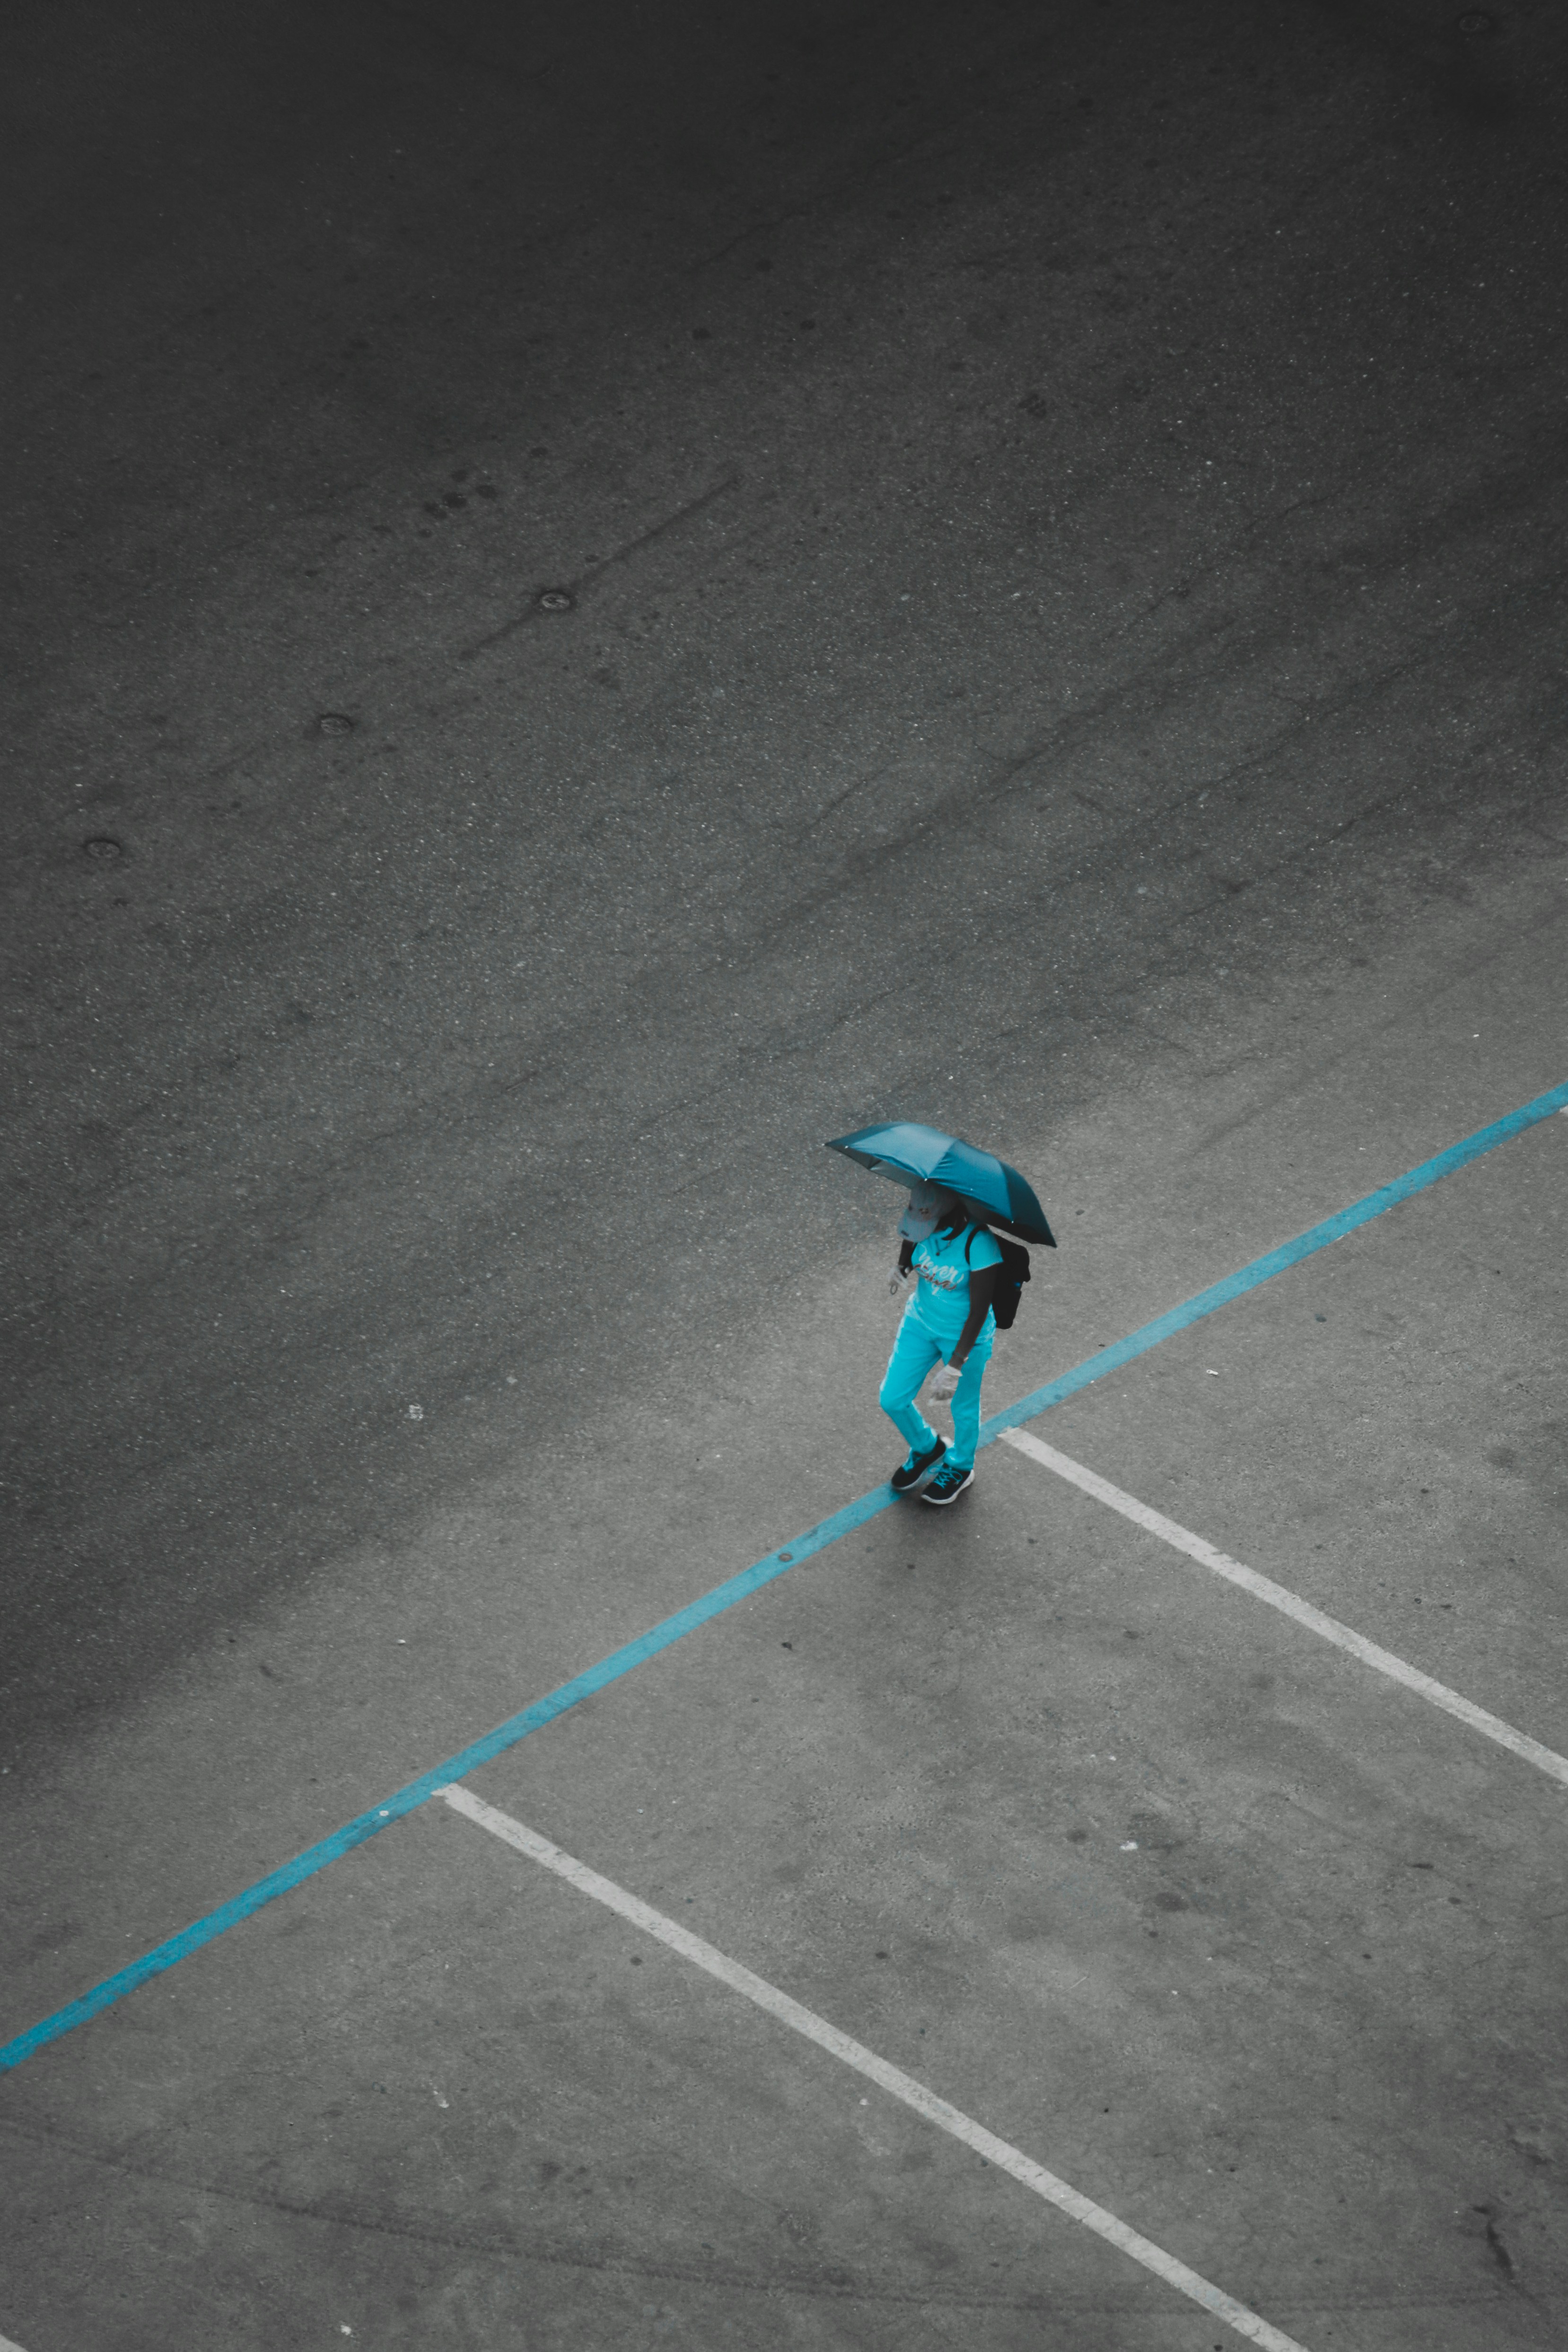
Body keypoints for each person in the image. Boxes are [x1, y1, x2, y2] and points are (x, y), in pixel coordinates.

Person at [880, 1181, 1002, 1504]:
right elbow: (911, 1237)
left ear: (947, 1215)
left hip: (964, 1337)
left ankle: (961, 1467)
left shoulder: (979, 1244)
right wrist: (902, 1265)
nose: (918, 1229)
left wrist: (955, 1366)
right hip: (920, 1323)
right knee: (892, 1398)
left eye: (925, 1222)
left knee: (962, 1408)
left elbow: (979, 1311)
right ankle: (927, 1447)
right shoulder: (922, 1226)